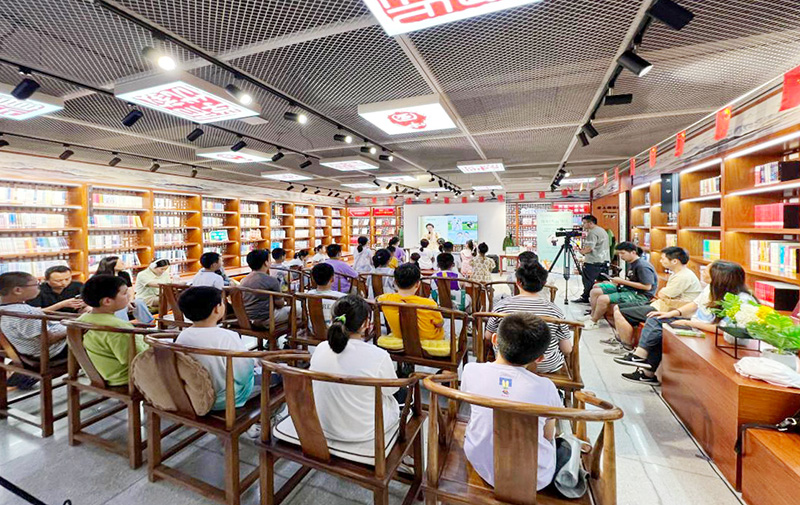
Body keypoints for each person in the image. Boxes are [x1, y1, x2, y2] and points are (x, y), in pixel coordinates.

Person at [462, 313, 562, 490]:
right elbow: (548, 435)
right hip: (535, 478)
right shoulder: (546, 388)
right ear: (539, 358)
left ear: (495, 339)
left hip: (480, 461)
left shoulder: (471, 371)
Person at [614, 261, 754, 384]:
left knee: (660, 327)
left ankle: (642, 362)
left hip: (712, 332)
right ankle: (643, 364)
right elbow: (695, 304)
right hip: (697, 323)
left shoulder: (742, 300)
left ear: (719, 277)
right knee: (658, 320)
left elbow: (724, 329)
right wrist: (671, 313)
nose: (703, 272)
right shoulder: (711, 288)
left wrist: (689, 324)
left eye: (707, 271)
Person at [306, 295, 400, 443]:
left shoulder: (321, 348)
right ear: (366, 324)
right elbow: (391, 390)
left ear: (332, 319)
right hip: (365, 432)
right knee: (397, 397)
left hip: (323, 427)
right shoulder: (378, 356)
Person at [175, 286, 257, 410]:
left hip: (195, 397)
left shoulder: (182, 336)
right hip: (226, 399)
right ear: (217, 309)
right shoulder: (228, 336)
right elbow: (244, 374)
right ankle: (268, 417)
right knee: (278, 377)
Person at [485, 261, 572, 374]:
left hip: (507, 360)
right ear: (544, 283)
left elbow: (488, 336)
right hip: (545, 365)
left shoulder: (501, 306)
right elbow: (567, 349)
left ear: (518, 282)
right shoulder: (555, 311)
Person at [612, 246, 703, 349]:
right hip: (662, 305)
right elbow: (663, 294)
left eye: (663, 259)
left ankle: (626, 345)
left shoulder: (683, 276)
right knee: (618, 308)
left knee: (620, 313)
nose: (660, 261)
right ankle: (621, 339)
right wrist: (663, 293)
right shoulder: (679, 274)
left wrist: (662, 292)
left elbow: (663, 294)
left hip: (668, 309)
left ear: (674, 261)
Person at [77, 275, 146, 386]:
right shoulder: (117, 327)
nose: (129, 296)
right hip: (127, 377)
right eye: (124, 293)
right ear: (107, 301)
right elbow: (139, 358)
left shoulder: (82, 319)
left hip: (104, 374)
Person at [583, 242, 657, 330]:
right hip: (629, 289)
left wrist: (623, 282)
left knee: (603, 299)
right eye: (619, 254)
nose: (621, 256)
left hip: (641, 295)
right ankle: (593, 315)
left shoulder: (642, 266)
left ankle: (594, 321)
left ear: (633, 252)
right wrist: (618, 282)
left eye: (623, 253)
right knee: (595, 290)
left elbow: (647, 287)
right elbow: (632, 280)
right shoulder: (632, 263)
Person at [0, 272, 68, 361]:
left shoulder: (6, 308)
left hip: (30, 351)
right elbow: (48, 339)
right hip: (53, 351)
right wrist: (72, 329)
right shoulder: (27, 312)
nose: (39, 287)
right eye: (36, 284)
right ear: (18, 290)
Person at [378, 263, 444, 341]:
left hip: (400, 337)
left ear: (395, 282)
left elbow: (376, 299)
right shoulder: (429, 304)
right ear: (417, 284)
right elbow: (439, 324)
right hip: (429, 341)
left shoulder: (384, 299)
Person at [94, 256, 154, 324]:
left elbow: (130, 289)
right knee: (120, 308)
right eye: (120, 262)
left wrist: (130, 301)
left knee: (139, 302)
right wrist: (124, 303)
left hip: (125, 300)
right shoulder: (100, 278)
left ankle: (149, 324)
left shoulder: (124, 274)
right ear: (112, 265)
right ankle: (124, 327)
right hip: (110, 303)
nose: (123, 263)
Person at [239, 249, 291, 326]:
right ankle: (296, 332)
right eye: (269, 259)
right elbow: (280, 304)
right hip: (267, 317)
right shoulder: (272, 280)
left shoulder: (243, 281)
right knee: (299, 311)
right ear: (266, 263)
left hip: (247, 317)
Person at [573, 215, 609, 304]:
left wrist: (581, 251)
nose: (583, 225)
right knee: (603, 281)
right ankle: (599, 298)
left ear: (590, 223)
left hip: (593, 261)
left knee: (588, 281)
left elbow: (589, 248)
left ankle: (586, 297)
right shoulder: (602, 231)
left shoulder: (592, 233)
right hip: (603, 260)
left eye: (584, 223)